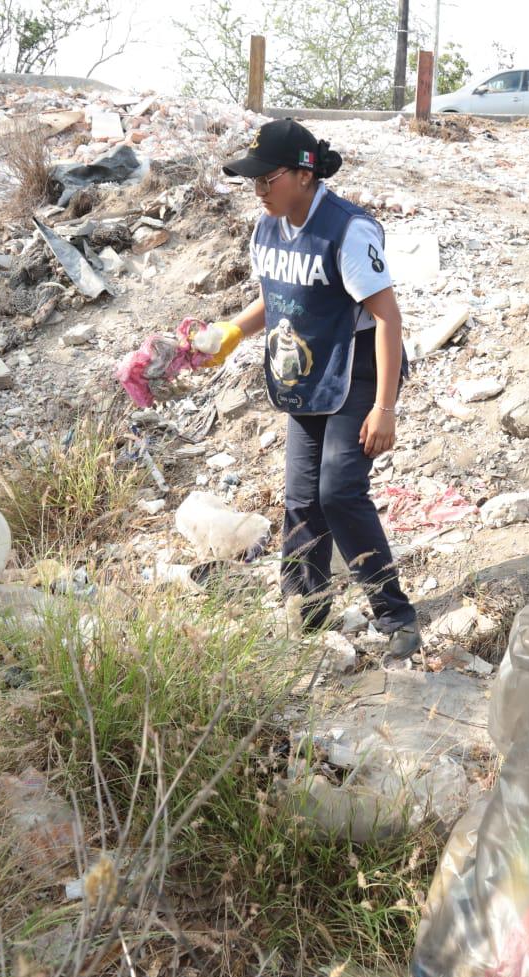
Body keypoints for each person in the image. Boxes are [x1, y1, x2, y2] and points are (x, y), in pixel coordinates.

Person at [200, 119, 421, 660]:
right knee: (301, 497)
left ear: (304, 174)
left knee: (339, 491)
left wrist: (384, 407)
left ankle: (395, 614)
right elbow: (276, 297)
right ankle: (307, 609)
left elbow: (387, 318)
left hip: (358, 368)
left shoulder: (347, 230)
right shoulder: (268, 227)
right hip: (304, 372)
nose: (258, 189)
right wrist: (232, 331)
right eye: (253, 180)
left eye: (266, 178)